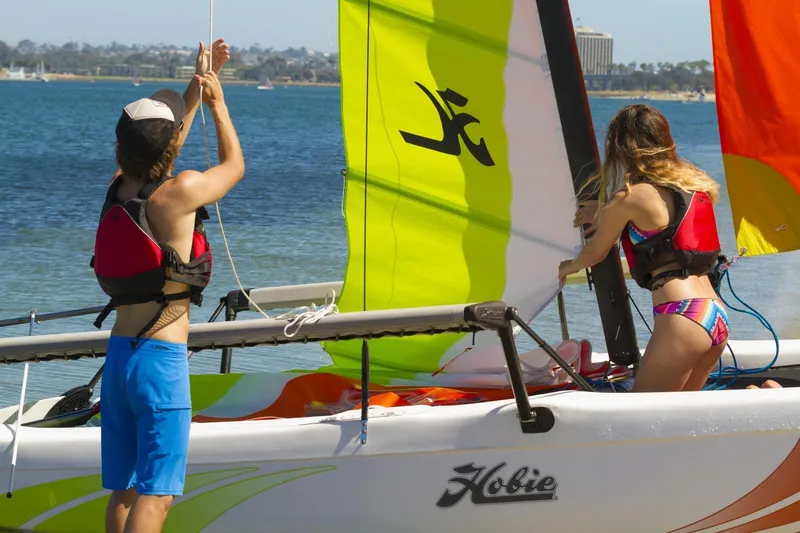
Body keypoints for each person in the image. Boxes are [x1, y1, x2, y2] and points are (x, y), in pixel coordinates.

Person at [91, 39, 245, 533]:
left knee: (125, 490)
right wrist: (219, 104)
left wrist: (195, 87)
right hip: (160, 363)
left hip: (117, 358)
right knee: (157, 494)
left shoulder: (117, 189)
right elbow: (234, 166)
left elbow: (160, 144)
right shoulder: (180, 194)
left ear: (121, 147)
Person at [558, 104, 730, 393]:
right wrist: (603, 212)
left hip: (682, 316)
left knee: (642, 417)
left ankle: (765, 392)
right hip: (714, 315)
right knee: (682, 419)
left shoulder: (628, 198)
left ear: (620, 148)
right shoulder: (694, 186)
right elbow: (664, 221)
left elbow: (594, 254)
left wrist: (560, 270)